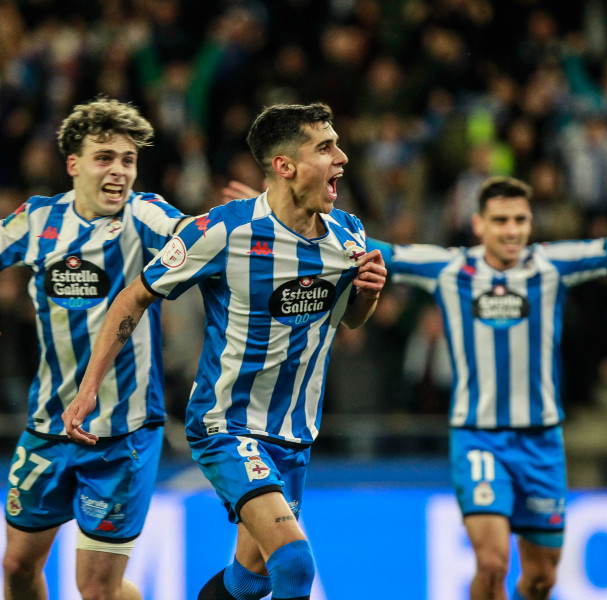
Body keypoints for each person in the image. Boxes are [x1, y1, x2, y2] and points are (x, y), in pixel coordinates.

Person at [222, 165, 607, 600]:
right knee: (491, 564)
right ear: (480, 224)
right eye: (501, 221)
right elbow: (366, 249)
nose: (512, 231)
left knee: (539, 582)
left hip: (542, 443)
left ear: (530, 224)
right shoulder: (450, 268)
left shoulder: (553, 266)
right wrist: (282, 214)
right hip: (478, 438)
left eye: (521, 221)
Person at [63, 102, 386, 600]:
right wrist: (88, 391)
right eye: (325, 148)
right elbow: (134, 297)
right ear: (285, 167)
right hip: (228, 426)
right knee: (295, 564)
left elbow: (348, 321)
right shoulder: (222, 232)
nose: (342, 158)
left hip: (295, 433)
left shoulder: (348, 235)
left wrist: (367, 294)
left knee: (249, 581)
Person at [0, 97, 187, 600]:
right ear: (73, 165)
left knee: (94, 590)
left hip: (124, 435)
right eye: (104, 157)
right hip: (48, 427)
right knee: (16, 566)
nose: (118, 171)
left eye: (128, 159)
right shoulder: (37, 221)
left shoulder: (147, 215)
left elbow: (196, 236)